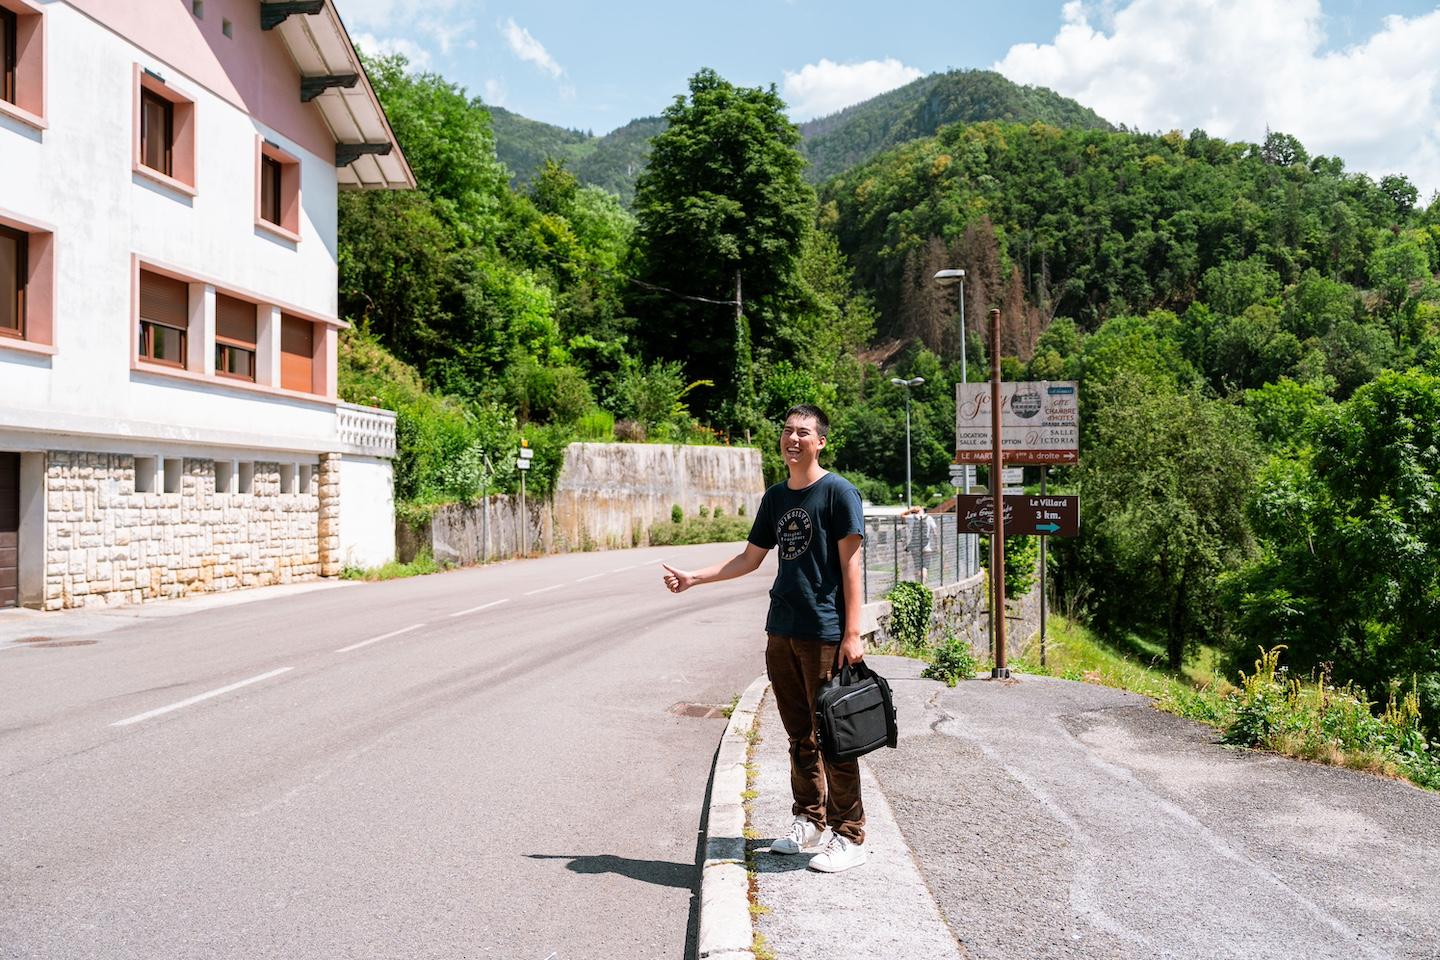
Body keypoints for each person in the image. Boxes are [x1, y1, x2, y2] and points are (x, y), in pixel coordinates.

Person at [661, 404, 868, 873]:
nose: (792, 439)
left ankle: (849, 834)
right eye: (787, 432)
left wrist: (853, 633)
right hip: (782, 630)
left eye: (803, 432)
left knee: (834, 737)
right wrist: (695, 577)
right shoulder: (776, 497)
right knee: (799, 736)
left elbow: (852, 566)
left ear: (821, 442)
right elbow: (749, 559)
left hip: (826, 632)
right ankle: (810, 819)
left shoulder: (838, 493)